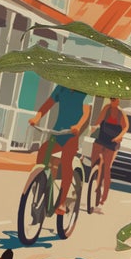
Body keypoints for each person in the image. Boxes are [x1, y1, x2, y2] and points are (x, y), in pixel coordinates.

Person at [29, 76, 89, 216]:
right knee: (43, 150)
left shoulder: (85, 92)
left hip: (72, 135)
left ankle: (62, 201)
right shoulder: (61, 88)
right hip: (58, 131)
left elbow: (86, 113)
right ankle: (40, 179)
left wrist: (78, 126)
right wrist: (37, 118)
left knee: (66, 162)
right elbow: (47, 105)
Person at [90, 95, 127, 210]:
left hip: (112, 142)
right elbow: (99, 120)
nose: (113, 101)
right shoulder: (107, 108)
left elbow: (125, 127)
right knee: (94, 161)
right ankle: (94, 180)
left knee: (106, 168)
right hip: (102, 137)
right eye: (112, 99)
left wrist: (119, 137)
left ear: (119, 100)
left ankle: (103, 196)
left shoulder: (121, 113)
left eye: (115, 100)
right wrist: (95, 127)